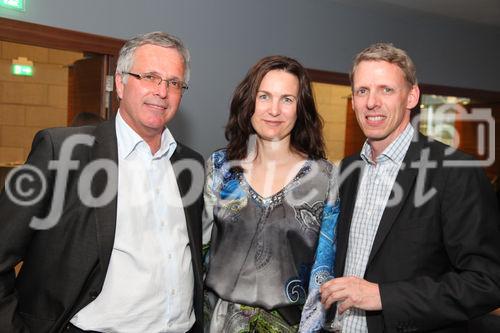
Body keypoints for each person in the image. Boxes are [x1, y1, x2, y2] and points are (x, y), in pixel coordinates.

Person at [0, 31, 204, 333]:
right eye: (150, 76)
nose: (162, 91)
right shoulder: (62, 151)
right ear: (120, 83)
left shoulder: (189, 165)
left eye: (174, 82)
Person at [319, 43, 500, 332]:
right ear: (353, 100)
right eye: (362, 91)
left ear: (411, 96)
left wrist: (383, 296)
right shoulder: (346, 171)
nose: (371, 102)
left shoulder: (455, 172)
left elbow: (486, 282)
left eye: (386, 90)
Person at [202, 55, 339, 332]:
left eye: (287, 99)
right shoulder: (219, 168)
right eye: (264, 96)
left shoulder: (326, 179)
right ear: (249, 101)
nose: (273, 110)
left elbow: (322, 275)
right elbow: (198, 251)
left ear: (300, 109)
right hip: (215, 322)